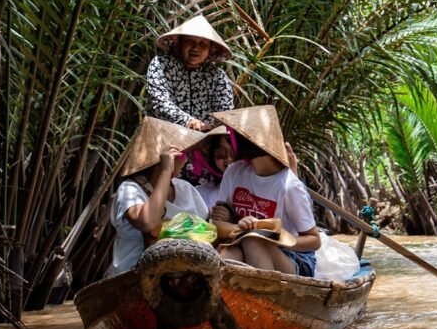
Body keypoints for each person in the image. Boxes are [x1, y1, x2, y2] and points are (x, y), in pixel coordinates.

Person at [210, 106, 320, 277]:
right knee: (229, 253)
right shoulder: (234, 172)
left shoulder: (289, 185)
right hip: (244, 243)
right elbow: (217, 223)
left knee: (253, 240)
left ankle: (267, 298)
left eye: (234, 136)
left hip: (294, 258)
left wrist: (274, 237)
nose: (231, 142)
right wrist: (242, 227)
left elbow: (314, 240)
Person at [109, 117, 209, 275]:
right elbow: (148, 222)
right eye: (182, 155)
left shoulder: (185, 188)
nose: (186, 160)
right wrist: (165, 170)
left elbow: (207, 229)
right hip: (134, 275)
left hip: (184, 274)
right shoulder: (130, 189)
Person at [146, 15, 234, 131]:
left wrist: (216, 133)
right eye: (189, 41)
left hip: (205, 138)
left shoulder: (217, 76)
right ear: (180, 44)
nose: (195, 48)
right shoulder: (162, 64)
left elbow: (225, 113)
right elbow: (158, 102)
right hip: (164, 134)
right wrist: (188, 121)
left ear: (210, 50)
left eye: (203, 44)